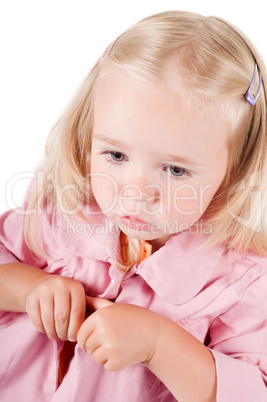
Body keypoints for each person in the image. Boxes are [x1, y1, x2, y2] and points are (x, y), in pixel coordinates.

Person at [0, 10, 266, 402]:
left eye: (175, 169)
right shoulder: (65, 204)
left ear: (234, 172)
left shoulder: (240, 281)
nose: (135, 194)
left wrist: (159, 345)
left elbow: (253, 390)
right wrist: (32, 289)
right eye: (116, 155)